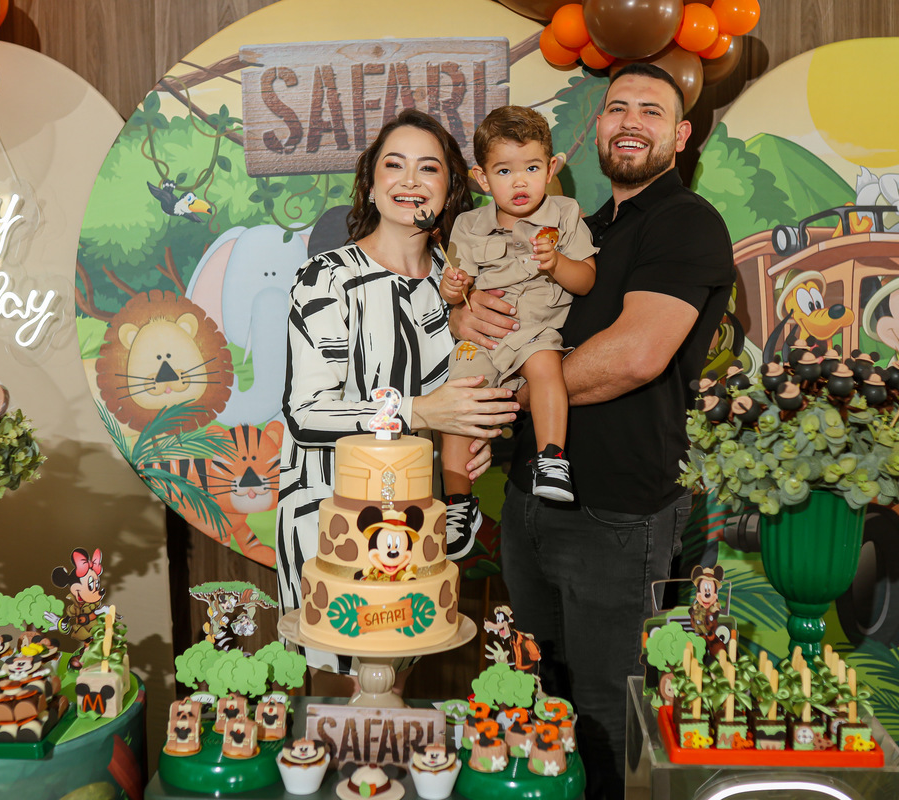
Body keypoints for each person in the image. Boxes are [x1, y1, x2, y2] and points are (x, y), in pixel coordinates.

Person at [451, 64, 736, 799]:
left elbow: (636, 356)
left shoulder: (684, 221)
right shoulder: (582, 225)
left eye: (652, 110)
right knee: (539, 696)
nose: (631, 120)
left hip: (616, 510)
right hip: (529, 499)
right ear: (597, 129)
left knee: (609, 713)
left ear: (681, 134)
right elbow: (514, 312)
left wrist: (516, 397)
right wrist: (465, 315)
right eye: (617, 108)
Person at [276, 109, 519, 682]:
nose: (410, 180)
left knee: (398, 689)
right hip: (330, 516)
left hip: (418, 520)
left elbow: (467, 388)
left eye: (428, 168)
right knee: (340, 695)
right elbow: (306, 415)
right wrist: (419, 411)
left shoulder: (457, 286)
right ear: (370, 183)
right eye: (394, 165)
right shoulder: (327, 278)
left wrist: (472, 436)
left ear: (451, 188)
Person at [438, 106, 597, 540]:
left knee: (546, 366)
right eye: (505, 171)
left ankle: (552, 459)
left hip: (536, 332)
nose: (520, 181)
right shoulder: (469, 225)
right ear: (482, 178)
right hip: (486, 338)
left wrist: (557, 263)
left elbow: (586, 280)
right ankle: (457, 502)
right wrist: (453, 288)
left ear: (551, 168)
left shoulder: (565, 214)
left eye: (531, 167)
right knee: (458, 400)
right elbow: (455, 292)